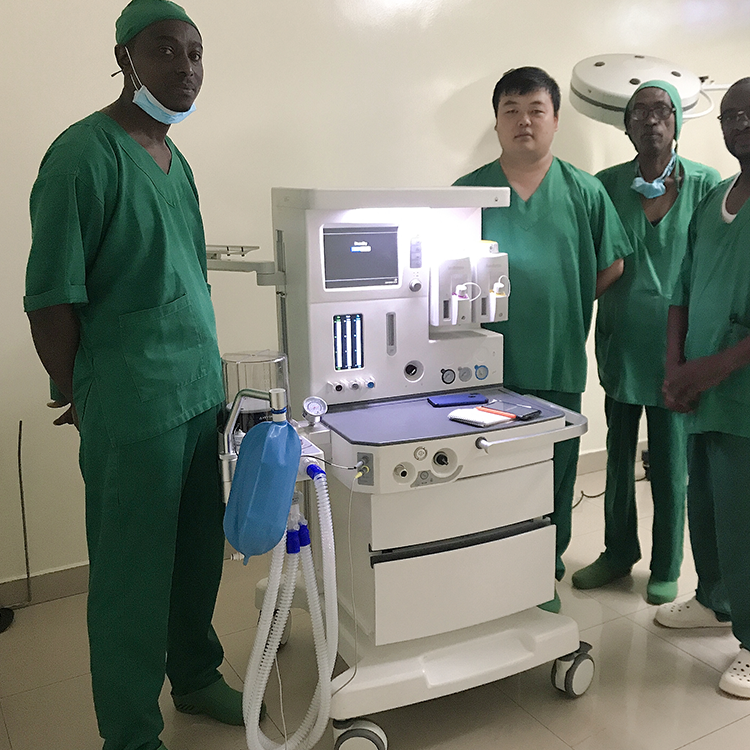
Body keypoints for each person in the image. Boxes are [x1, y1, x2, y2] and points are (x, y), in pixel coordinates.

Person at [24, 2, 246, 747]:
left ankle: (196, 677)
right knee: (131, 576)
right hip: (131, 405)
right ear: (125, 58)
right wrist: (80, 390)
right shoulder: (83, 156)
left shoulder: (174, 159)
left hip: (195, 395)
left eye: (195, 52)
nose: (185, 67)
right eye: (165, 50)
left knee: (196, 557)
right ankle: (130, 731)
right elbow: (51, 296)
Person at [453, 67, 632, 612]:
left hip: (557, 359)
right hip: (482, 368)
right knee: (486, 471)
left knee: (554, 474)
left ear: (555, 120)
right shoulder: (467, 193)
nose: (524, 121)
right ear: (497, 121)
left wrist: (567, 300)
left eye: (536, 110)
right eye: (511, 110)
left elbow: (613, 264)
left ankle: (542, 570)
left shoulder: (584, 190)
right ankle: (488, 568)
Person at [571, 82, 720, 605]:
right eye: (640, 112)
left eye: (662, 111)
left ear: (677, 121)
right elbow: (588, 256)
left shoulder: (706, 184)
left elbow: (712, 264)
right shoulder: (606, 185)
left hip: (677, 347)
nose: (651, 120)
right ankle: (617, 552)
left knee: (671, 460)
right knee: (617, 456)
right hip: (621, 340)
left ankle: (666, 563)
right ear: (626, 124)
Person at [656, 77, 750, 699]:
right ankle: (716, 599)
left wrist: (707, 370)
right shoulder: (715, 199)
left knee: (746, 517)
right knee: (709, 505)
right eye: (730, 115)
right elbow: (682, 291)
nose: (740, 123)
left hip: (739, 389)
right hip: (702, 388)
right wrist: (675, 367)